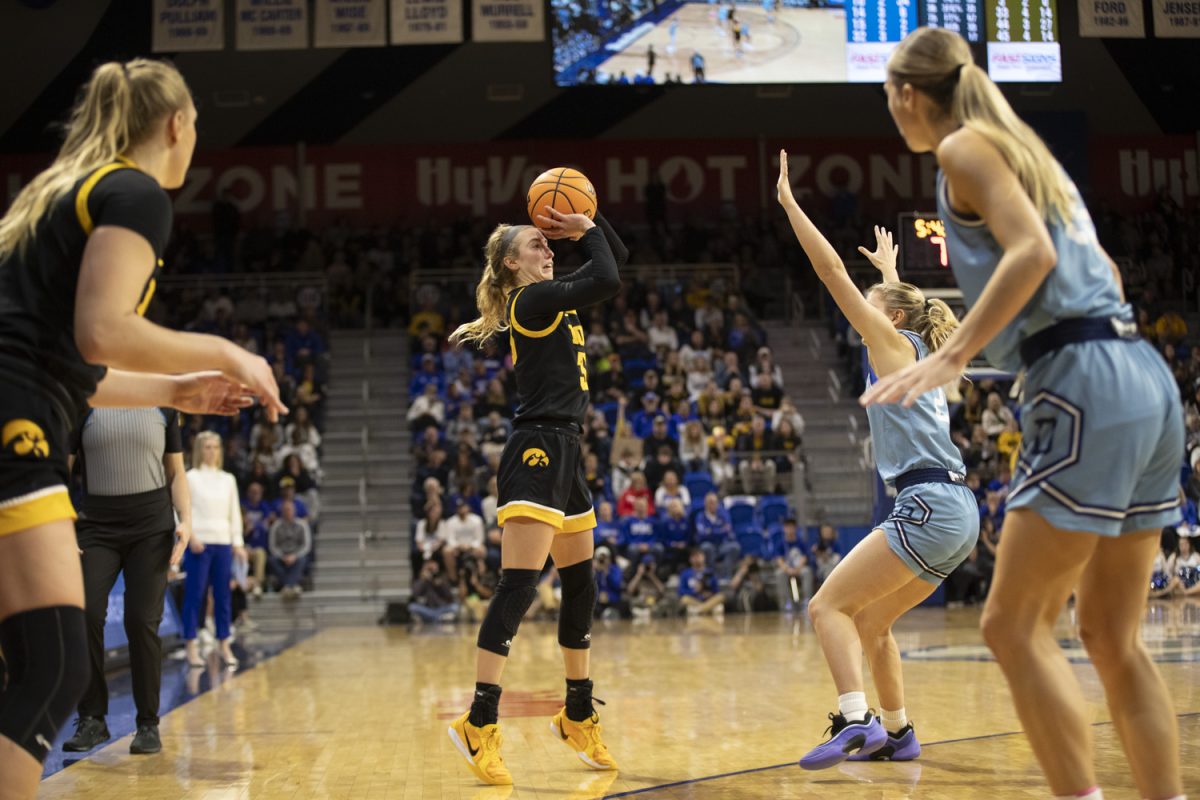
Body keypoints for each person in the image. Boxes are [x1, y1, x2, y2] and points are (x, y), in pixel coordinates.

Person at [862, 28, 1185, 800]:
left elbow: (1032, 253)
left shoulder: (963, 148)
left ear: (909, 96)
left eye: (888, 100)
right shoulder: (1028, 153)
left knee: (1011, 626)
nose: (892, 112)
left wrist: (953, 353)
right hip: (1142, 372)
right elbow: (1098, 267)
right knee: (1110, 637)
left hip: (1083, 380)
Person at [0, 59, 282, 798]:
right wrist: (224, 349)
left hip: (26, 397)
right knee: (57, 661)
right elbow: (102, 331)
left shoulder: (65, 189)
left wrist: (178, 389)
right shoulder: (135, 192)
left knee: (30, 661)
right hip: (13, 413)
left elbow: (81, 369)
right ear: (177, 125)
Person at [778, 160, 978, 769]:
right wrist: (892, 276)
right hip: (956, 512)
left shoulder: (891, 344)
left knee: (826, 608)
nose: (858, 314)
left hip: (928, 507)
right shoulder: (912, 346)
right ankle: (899, 733)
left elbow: (831, 270)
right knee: (871, 623)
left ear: (888, 320)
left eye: (870, 307)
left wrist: (790, 206)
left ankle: (855, 719)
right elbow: (899, 308)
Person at [445, 204, 626, 785]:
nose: (549, 250)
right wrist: (588, 230)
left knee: (580, 584)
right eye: (536, 245)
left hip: (567, 449)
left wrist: (593, 222)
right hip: (537, 450)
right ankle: (479, 722)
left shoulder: (547, 296)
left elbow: (616, 261)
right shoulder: (533, 300)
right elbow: (606, 276)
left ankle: (577, 713)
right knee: (519, 586)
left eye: (550, 245)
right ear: (510, 263)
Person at [62, 407, 190, 757]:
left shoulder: (164, 404)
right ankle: (92, 719)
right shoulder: (84, 401)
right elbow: (60, 471)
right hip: (97, 525)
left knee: (140, 620)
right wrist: (60, 522)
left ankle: (148, 723)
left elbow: (175, 472)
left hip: (152, 526)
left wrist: (187, 520)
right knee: (84, 612)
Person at [183, 432, 246, 670]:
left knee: (223, 597)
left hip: (223, 542)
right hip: (199, 543)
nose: (212, 451)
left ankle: (224, 643)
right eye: (207, 447)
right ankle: (190, 644)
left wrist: (237, 542)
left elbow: (234, 513)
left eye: (216, 447)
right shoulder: (190, 477)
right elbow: (181, 509)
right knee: (194, 596)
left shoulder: (227, 479)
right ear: (200, 449)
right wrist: (191, 537)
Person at [268, 499, 312, 598]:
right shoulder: (276, 526)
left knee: (303, 559)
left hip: (297, 555)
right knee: (271, 560)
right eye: (286, 510)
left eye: (290, 509)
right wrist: (282, 556)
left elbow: (306, 546)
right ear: (282, 511)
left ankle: (287, 586)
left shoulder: (302, 525)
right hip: (281, 556)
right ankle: (293, 586)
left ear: (294, 510)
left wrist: (294, 556)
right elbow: (273, 546)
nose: (288, 512)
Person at [409, 560, 460, 624]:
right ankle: (438, 618)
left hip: (442, 608)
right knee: (412, 607)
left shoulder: (443, 577)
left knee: (455, 606)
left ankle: (430, 618)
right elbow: (415, 593)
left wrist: (440, 584)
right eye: (429, 569)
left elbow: (449, 595)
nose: (431, 571)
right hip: (428, 608)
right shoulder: (422, 579)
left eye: (433, 568)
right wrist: (423, 580)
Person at [678, 549, 724, 616]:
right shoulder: (685, 574)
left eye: (699, 556)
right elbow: (681, 592)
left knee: (721, 596)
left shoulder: (710, 573)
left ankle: (700, 610)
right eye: (694, 557)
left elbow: (716, 590)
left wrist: (710, 594)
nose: (697, 559)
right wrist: (694, 591)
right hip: (694, 600)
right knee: (684, 599)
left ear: (704, 557)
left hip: (708, 600)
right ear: (690, 559)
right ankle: (706, 609)